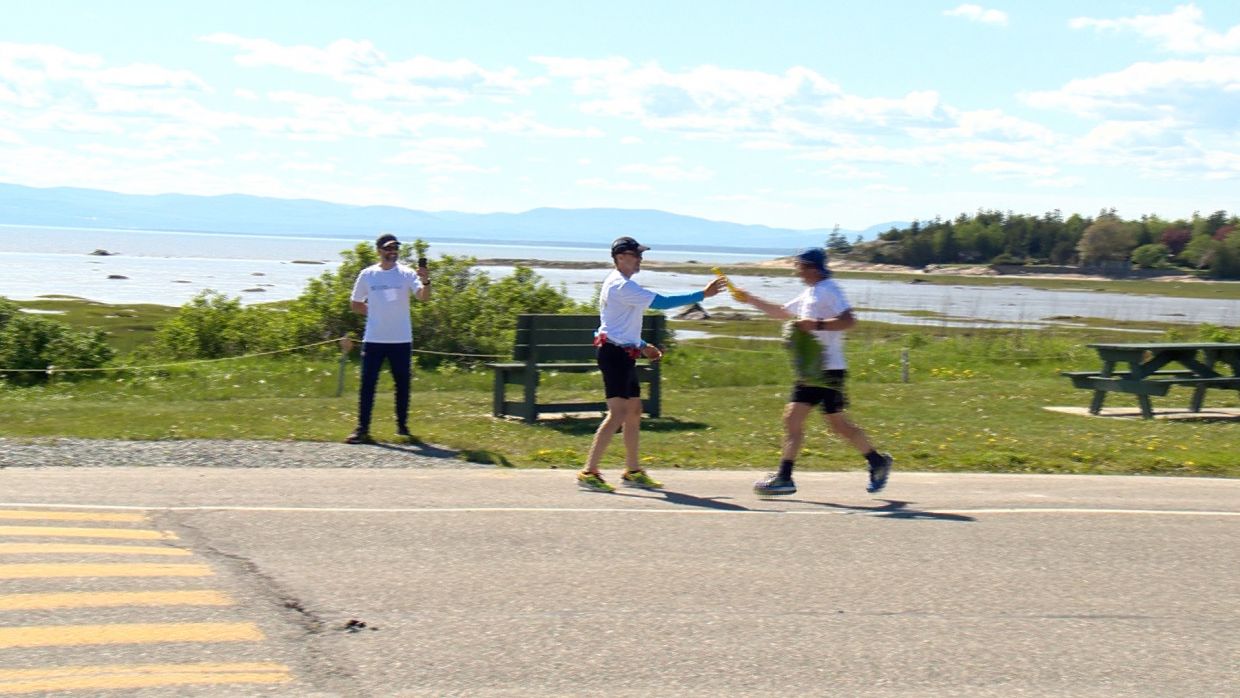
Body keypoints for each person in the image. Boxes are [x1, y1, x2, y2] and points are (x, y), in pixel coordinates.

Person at [736, 247, 892, 496]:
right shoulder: (811, 292)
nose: (796, 271)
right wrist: (749, 299)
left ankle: (876, 462)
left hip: (829, 370)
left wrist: (818, 324)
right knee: (797, 420)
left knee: (835, 425)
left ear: (812, 267)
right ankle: (785, 477)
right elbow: (782, 312)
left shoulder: (830, 289)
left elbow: (850, 320)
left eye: (799, 266)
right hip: (811, 370)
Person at [577, 236, 727, 492]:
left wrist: (643, 344)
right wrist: (702, 294)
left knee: (634, 410)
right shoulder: (620, 286)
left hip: (624, 352)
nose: (640, 259)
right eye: (636, 255)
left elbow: (619, 324)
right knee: (618, 413)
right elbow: (661, 302)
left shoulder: (624, 284)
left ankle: (633, 470)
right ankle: (589, 472)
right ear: (621, 257)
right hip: (613, 355)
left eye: (640, 255)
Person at [345, 233, 429, 444]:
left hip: (401, 339)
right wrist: (375, 312)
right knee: (368, 384)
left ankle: (402, 427)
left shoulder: (407, 274)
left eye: (395, 249)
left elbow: (423, 297)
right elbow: (355, 304)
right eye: (388, 248)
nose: (392, 252)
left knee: (402, 384)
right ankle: (362, 429)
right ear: (379, 251)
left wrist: (426, 280)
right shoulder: (368, 275)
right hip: (374, 339)